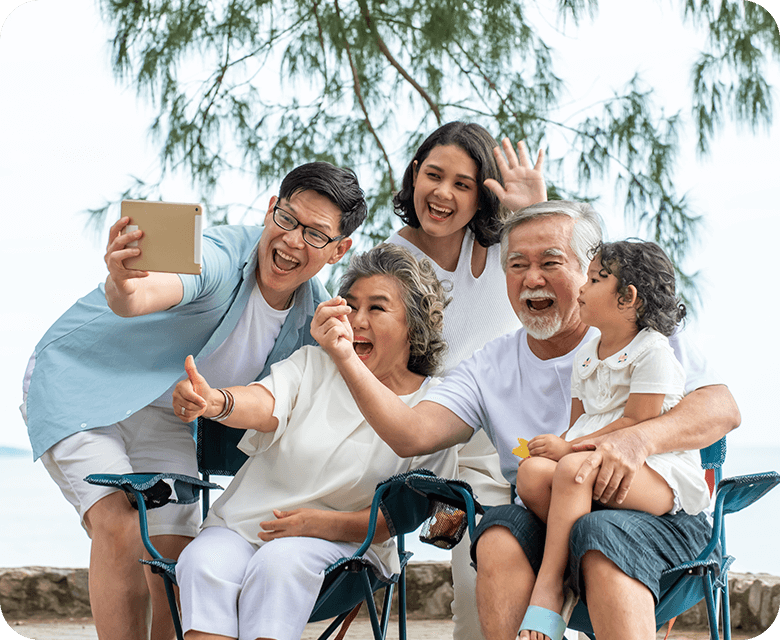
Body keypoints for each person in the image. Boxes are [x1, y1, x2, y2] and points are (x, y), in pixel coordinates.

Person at [312, 199, 741, 640]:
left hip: (656, 517)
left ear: (589, 272)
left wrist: (638, 440)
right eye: (516, 264)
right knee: (500, 532)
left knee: (600, 532)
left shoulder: (640, 335)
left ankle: (557, 589)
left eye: (550, 261)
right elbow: (411, 432)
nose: (531, 278)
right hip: (549, 510)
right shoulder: (490, 366)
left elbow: (722, 409)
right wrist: (346, 356)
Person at [20, 162, 366, 640]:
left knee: (177, 562)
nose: (292, 241)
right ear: (270, 210)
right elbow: (147, 293)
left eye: (315, 234)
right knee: (120, 524)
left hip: (166, 417)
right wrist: (124, 284)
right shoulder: (223, 255)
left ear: (339, 250)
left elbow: (295, 406)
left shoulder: (311, 319)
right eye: (287, 220)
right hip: (82, 385)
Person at [171, 243, 457, 640]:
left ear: (415, 323)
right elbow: (266, 403)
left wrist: (322, 524)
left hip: (349, 546)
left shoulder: (435, 405)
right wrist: (216, 402)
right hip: (245, 524)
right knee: (202, 561)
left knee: (280, 563)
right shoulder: (312, 365)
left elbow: (407, 513)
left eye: (376, 308)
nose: (357, 320)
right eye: (351, 306)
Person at [386, 121, 546, 640]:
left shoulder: (509, 251)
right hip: (446, 439)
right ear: (414, 175)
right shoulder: (390, 264)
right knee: (479, 594)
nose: (443, 193)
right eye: (433, 175)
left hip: (535, 435)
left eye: (463, 184)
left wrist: (533, 210)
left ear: (483, 197)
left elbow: (576, 286)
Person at [515, 239, 711, 640]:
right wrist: (559, 442)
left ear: (627, 298)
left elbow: (637, 422)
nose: (581, 289)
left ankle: (552, 587)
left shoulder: (653, 351)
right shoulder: (586, 355)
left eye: (593, 280)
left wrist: (569, 450)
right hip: (594, 466)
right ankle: (572, 573)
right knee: (532, 474)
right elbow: (580, 423)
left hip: (654, 475)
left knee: (571, 470)